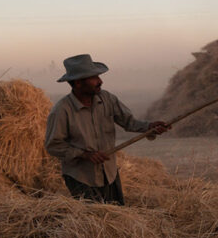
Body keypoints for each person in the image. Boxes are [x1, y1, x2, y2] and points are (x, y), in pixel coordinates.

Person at [44, 54, 170, 205]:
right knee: (93, 223)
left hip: (109, 173)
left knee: (117, 218)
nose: (100, 81)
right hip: (81, 178)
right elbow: (53, 145)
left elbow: (129, 122)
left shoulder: (107, 99)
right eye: (94, 77)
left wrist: (149, 127)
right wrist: (84, 154)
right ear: (78, 83)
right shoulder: (62, 110)